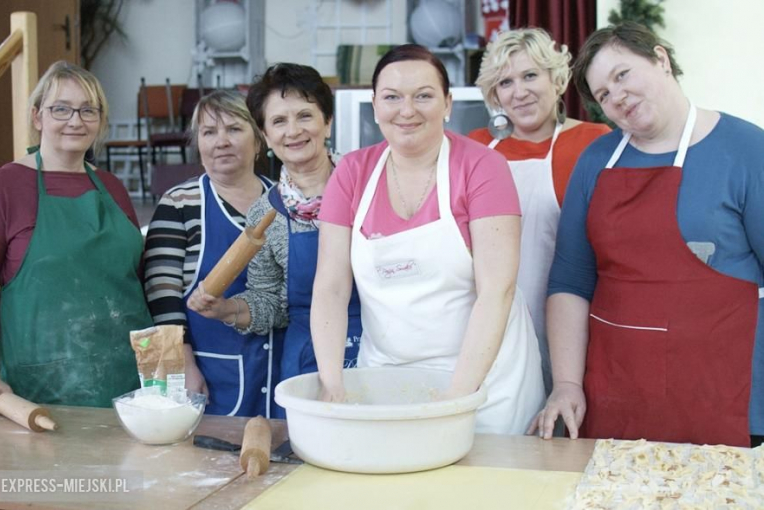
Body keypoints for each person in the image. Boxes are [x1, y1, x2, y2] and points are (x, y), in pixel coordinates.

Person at [530, 22, 764, 448]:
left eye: (622, 75)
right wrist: (566, 383)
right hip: (618, 391)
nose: (616, 96)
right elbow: (570, 282)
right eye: (602, 95)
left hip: (723, 394)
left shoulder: (746, 150)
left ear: (660, 58)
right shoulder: (596, 162)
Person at [311, 44, 545, 434]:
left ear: (447, 103)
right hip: (385, 379)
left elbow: (496, 291)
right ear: (374, 105)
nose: (407, 110)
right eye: (392, 97)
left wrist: (457, 396)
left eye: (423, 96)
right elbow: (332, 287)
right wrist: (333, 383)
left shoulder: (482, 167)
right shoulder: (351, 173)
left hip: (486, 383)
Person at [187, 64, 362, 404]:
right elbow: (270, 302)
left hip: (376, 349)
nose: (293, 131)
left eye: (305, 116)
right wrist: (227, 310)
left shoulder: (367, 186)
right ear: (265, 136)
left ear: (328, 122)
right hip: (304, 361)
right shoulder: (265, 213)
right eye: (279, 121)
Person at [0, 61, 152, 411]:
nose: (76, 121)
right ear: (37, 117)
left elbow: (135, 281)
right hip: (40, 389)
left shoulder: (114, 188)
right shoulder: (3, 186)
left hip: (129, 386)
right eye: (61, 108)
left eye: (88, 110)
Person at [469, 28, 610, 395]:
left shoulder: (593, 143)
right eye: (505, 82)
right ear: (494, 94)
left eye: (530, 75)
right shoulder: (476, 149)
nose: (519, 92)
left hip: (570, 319)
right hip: (488, 320)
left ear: (556, 78)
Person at [145, 90, 279, 417]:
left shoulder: (285, 201)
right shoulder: (179, 202)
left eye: (234, 129)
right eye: (209, 132)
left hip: (281, 371)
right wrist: (182, 368)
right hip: (206, 378)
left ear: (259, 140)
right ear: (198, 144)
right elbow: (160, 299)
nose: (222, 141)